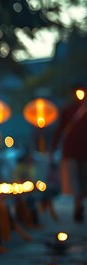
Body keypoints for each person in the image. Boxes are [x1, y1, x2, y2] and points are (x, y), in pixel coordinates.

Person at [51, 84, 87, 223]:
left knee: (83, 179)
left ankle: (80, 203)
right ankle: (78, 205)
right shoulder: (68, 110)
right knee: (75, 180)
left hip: (85, 152)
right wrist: (53, 149)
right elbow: (60, 130)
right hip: (72, 151)